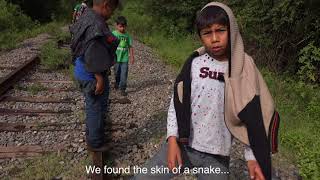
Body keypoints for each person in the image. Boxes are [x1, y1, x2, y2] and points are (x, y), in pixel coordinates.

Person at [132, 2, 280, 180]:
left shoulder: (243, 69)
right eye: (207, 33)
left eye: (221, 30)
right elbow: (176, 103)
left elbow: (254, 118)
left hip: (216, 157)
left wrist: (252, 157)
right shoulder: (194, 64)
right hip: (183, 145)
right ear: (200, 37)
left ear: (232, 30)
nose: (215, 38)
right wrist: (172, 139)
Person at [70, 0, 120, 151]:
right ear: (106, 5)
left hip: (82, 69)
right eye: (112, 10)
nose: (112, 14)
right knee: (96, 107)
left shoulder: (87, 15)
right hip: (91, 74)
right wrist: (99, 78)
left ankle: (91, 134)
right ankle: (95, 142)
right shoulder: (97, 24)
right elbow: (93, 52)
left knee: (93, 105)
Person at [112, 16, 134, 96]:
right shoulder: (114, 34)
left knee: (124, 74)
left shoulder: (127, 36)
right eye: (120, 26)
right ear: (116, 26)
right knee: (117, 72)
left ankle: (122, 88)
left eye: (123, 26)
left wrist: (132, 56)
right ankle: (117, 83)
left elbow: (130, 46)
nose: (122, 28)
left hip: (124, 59)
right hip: (116, 58)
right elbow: (110, 44)